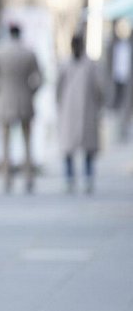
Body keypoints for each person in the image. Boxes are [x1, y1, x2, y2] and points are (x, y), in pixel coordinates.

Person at [0, 23, 43, 193]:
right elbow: (39, 78)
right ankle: (28, 178)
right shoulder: (29, 52)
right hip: (25, 100)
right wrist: (31, 91)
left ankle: (7, 179)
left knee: (6, 142)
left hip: (5, 100)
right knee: (27, 142)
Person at [57, 34, 104, 194]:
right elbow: (58, 87)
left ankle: (87, 178)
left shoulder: (89, 65)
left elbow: (98, 88)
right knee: (68, 148)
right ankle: (70, 178)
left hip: (86, 110)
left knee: (88, 147)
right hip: (71, 111)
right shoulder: (67, 65)